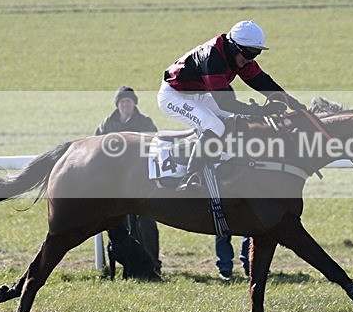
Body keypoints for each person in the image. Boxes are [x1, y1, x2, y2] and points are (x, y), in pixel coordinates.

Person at [157, 20, 304, 191]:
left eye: (256, 54)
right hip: (173, 95)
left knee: (235, 120)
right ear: (234, 47)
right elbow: (225, 102)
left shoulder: (238, 55)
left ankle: (222, 161)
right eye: (249, 54)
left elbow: (261, 81)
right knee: (214, 125)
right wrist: (258, 110)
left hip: (198, 93)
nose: (250, 59)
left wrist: (290, 101)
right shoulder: (212, 56)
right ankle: (190, 178)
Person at [95, 86, 162, 280]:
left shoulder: (145, 122)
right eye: (122, 101)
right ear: (118, 104)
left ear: (134, 103)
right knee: (120, 224)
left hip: (141, 180)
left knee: (146, 223)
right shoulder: (107, 124)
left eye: (129, 101)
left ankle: (152, 264)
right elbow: (96, 147)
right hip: (116, 183)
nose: (126, 104)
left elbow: (154, 146)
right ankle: (129, 267)